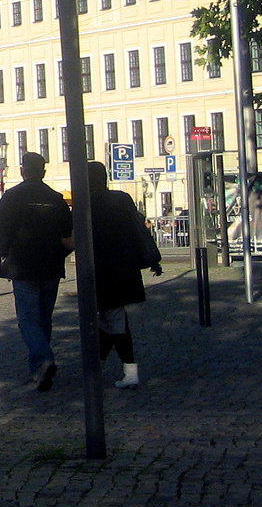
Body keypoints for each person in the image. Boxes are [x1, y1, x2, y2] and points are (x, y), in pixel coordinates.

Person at [0, 152, 73, 391]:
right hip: (51, 266)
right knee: (44, 319)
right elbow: (68, 236)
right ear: (44, 171)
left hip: (23, 266)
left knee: (27, 319)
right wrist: (59, 255)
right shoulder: (56, 199)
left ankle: (43, 359)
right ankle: (37, 370)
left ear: (22, 170)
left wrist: (5, 252)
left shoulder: (12, 197)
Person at [87, 161, 163, 389]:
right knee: (109, 319)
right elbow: (138, 229)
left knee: (113, 320)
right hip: (125, 269)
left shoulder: (87, 204)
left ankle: (128, 371)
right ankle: (100, 368)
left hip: (102, 271)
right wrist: (151, 258)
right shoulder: (122, 199)